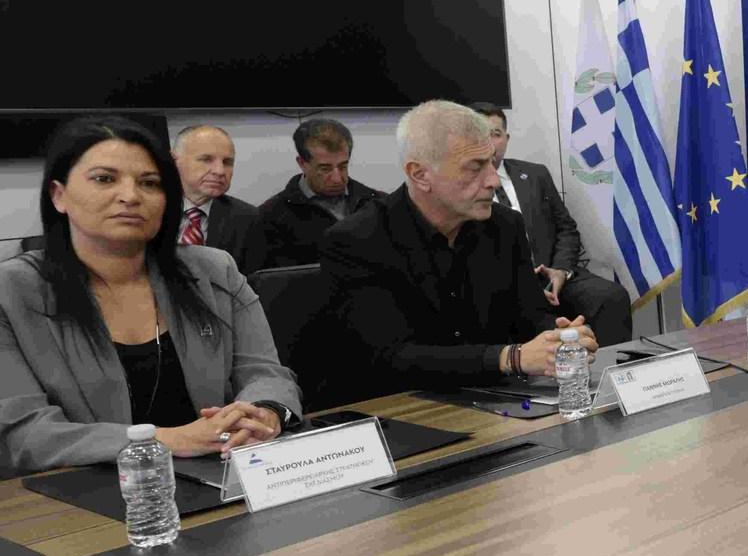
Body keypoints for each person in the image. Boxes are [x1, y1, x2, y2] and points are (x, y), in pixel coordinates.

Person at [0, 117, 300, 474]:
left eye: (149, 183)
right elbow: (24, 434)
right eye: (104, 179)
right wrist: (169, 440)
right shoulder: (12, 291)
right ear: (58, 195)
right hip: (79, 495)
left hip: (219, 477)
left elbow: (266, 373)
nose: (130, 196)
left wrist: (262, 414)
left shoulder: (215, 270)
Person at [321, 101, 596, 391]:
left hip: (496, 396)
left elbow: (530, 315)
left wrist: (560, 337)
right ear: (420, 175)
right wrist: (509, 358)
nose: (493, 180)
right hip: (402, 404)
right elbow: (388, 357)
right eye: (475, 168)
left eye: (491, 163)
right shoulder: (357, 240)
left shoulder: (505, 226)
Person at [470, 102, 633, 345]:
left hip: (554, 275)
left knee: (611, 297)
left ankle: (610, 367)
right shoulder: (462, 185)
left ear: (507, 138)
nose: (490, 143)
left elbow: (566, 229)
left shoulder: (535, 174)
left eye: (496, 134)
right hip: (505, 285)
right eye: (481, 134)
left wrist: (561, 271)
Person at [256, 117, 380, 266]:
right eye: (325, 169)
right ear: (302, 163)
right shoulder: (270, 217)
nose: (337, 179)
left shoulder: (377, 204)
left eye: (343, 166)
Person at [170, 124, 265, 274]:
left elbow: (255, 282)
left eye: (227, 162)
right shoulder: (149, 210)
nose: (220, 171)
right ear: (174, 161)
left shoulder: (247, 218)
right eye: (206, 159)